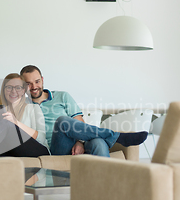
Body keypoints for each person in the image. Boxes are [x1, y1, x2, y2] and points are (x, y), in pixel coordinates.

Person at [19, 65, 148, 157]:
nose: (34, 87)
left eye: (37, 81)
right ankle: (116, 136)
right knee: (62, 121)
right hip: (53, 148)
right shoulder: (23, 106)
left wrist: (80, 142)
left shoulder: (62, 96)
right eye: (29, 84)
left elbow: (79, 122)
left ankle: (105, 189)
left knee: (99, 142)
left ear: (42, 79)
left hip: (74, 142)